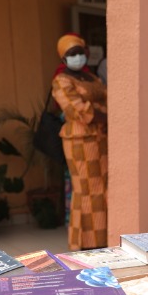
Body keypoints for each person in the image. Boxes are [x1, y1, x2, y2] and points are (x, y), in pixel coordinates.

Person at [51, 34, 108, 250]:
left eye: (79, 52)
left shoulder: (92, 78)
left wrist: (103, 113)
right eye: (71, 54)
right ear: (63, 58)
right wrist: (104, 115)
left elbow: (108, 101)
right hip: (79, 141)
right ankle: (84, 244)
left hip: (101, 139)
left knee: (102, 189)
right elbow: (76, 110)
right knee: (86, 189)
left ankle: (102, 240)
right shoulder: (61, 81)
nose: (77, 57)